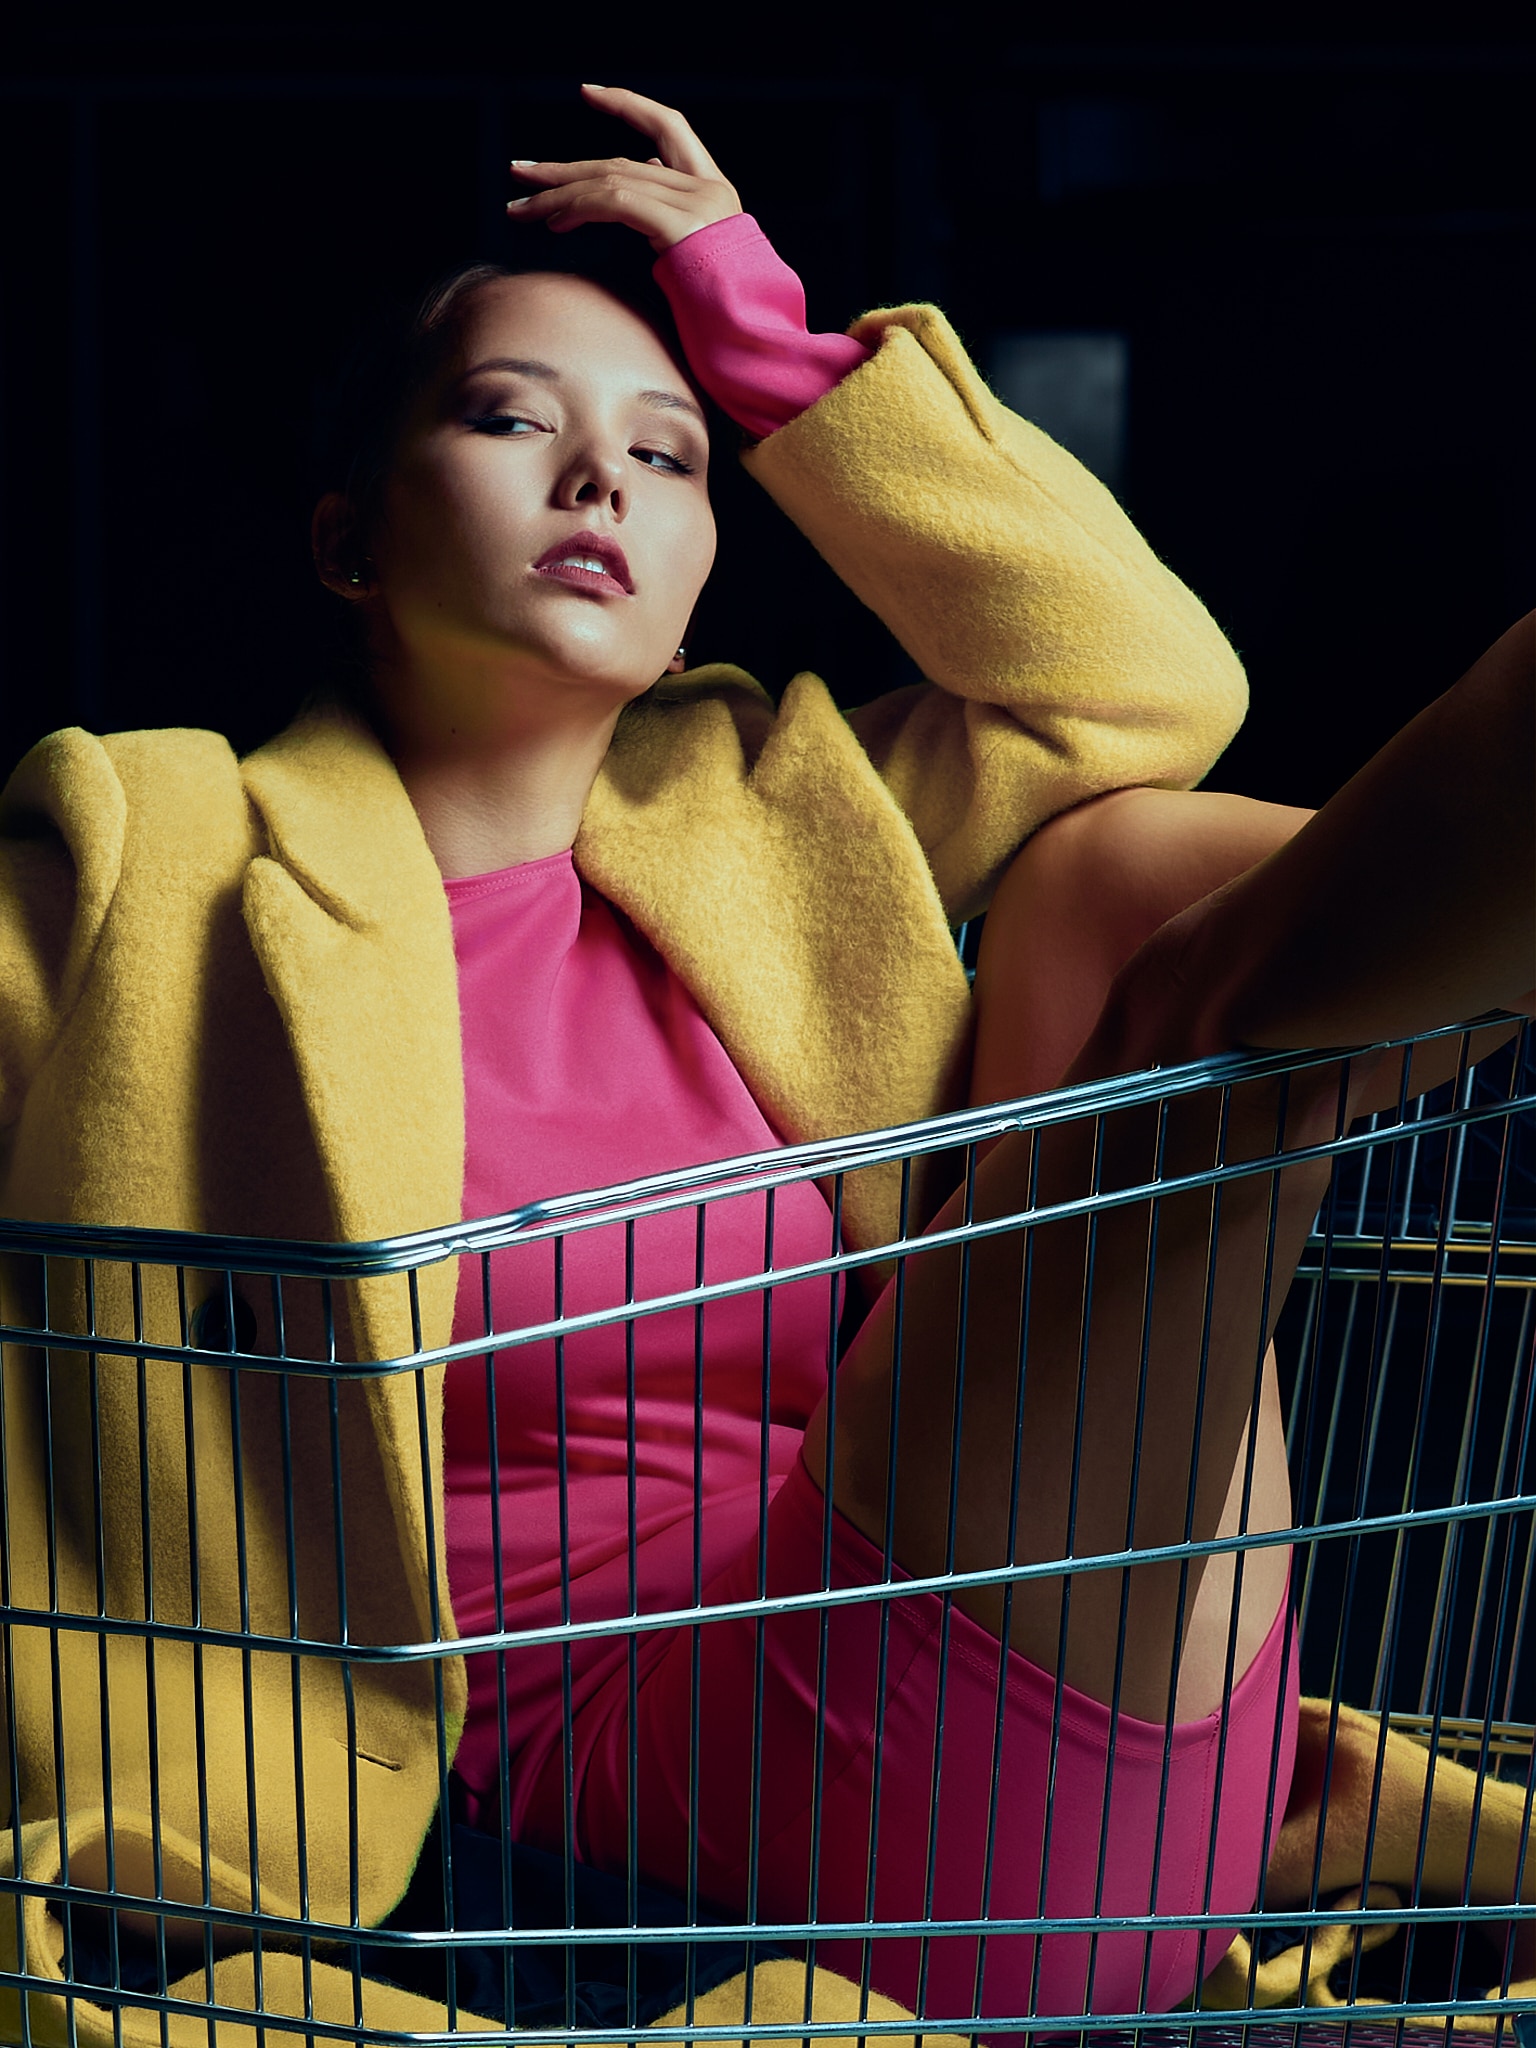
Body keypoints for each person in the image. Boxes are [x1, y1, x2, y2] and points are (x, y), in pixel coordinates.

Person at [0, 83, 1530, 2039]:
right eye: (507, 420)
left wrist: (775, 346)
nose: (596, 486)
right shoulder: (157, 866)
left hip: (1002, 1602)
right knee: (1211, 1033)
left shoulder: (775, 807)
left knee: (1110, 884)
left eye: (666, 453)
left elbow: (1150, 681)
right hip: (677, 1754)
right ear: (349, 537)